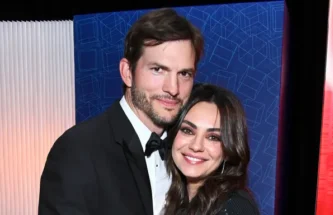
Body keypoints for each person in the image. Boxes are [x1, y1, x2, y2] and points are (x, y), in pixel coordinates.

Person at [38, 8, 204, 215]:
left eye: (184, 74)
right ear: (127, 73)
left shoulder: (191, 151)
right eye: (158, 70)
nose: (173, 88)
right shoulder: (78, 150)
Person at [162, 83, 260, 215]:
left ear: (228, 150)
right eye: (187, 130)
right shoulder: (172, 198)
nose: (196, 146)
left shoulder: (234, 207)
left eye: (213, 137)